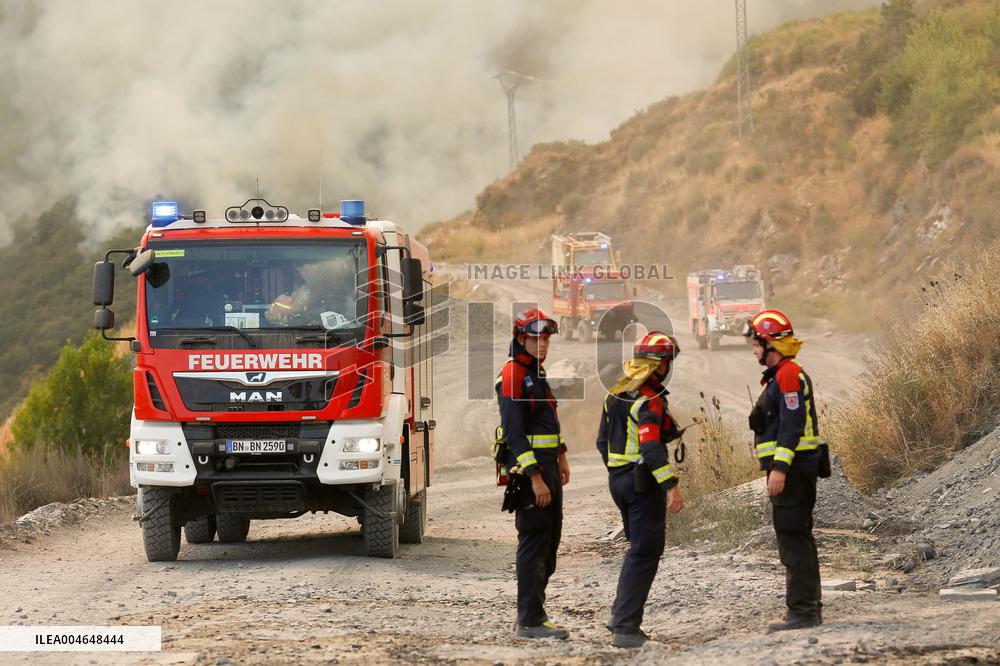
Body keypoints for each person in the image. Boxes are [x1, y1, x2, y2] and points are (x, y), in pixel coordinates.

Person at [596, 331, 685, 648]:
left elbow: (600, 442)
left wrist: (618, 473)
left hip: (618, 482)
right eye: (668, 361)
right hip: (642, 485)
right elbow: (651, 450)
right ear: (659, 364)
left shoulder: (615, 394)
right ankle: (626, 628)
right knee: (645, 552)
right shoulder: (649, 400)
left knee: (637, 551)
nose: (669, 367)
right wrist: (671, 485)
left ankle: (619, 617)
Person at [743, 309, 823, 632]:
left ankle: (802, 612)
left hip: (793, 471)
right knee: (798, 535)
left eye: (756, 343)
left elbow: (791, 426)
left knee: (792, 538)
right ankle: (809, 608)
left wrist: (779, 468)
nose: (753, 349)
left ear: (770, 343)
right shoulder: (782, 376)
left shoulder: (788, 375)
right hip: (795, 469)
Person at [495, 307, 571, 639]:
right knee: (534, 546)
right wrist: (536, 477)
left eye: (547, 338)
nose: (543, 344)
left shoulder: (534, 372)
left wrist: (562, 454)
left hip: (549, 469)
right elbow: (515, 434)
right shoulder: (512, 375)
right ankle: (529, 621)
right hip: (530, 475)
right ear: (520, 338)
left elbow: (545, 421)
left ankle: (535, 615)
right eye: (536, 338)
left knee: (549, 547)